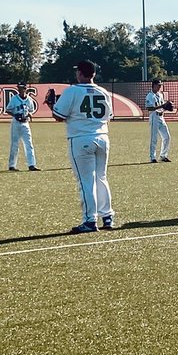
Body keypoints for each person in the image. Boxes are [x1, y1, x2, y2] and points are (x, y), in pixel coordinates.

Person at [52, 59, 115, 232]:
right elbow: (109, 117)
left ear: (80, 73)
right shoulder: (104, 92)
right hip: (102, 137)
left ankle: (90, 220)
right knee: (101, 178)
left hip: (81, 138)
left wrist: (52, 104)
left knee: (86, 181)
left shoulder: (72, 91)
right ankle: (107, 216)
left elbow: (58, 115)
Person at [5, 83, 40, 171]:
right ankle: (12, 165)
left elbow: (31, 110)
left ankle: (32, 164)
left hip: (25, 123)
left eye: (22, 88)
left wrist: (29, 114)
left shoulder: (29, 99)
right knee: (14, 144)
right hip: (16, 123)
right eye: (19, 88)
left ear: (25, 89)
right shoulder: (14, 99)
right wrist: (15, 115)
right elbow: (8, 110)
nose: (20, 90)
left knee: (29, 144)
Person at [145, 79, 172, 163]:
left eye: (161, 85)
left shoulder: (160, 95)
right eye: (158, 85)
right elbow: (149, 108)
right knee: (154, 138)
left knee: (167, 137)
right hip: (154, 117)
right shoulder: (150, 96)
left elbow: (162, 106)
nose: (160, 86)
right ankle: (152, 157)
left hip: (161, 117)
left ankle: (163, 155)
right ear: (154, 85)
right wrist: (162, 106)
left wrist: (166, 107)